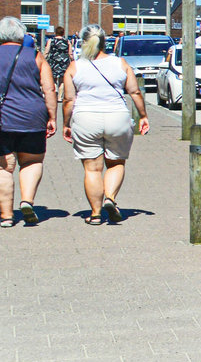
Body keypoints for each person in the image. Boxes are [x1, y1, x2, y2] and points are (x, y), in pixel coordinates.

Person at [62, 24, 149, 225]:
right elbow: (134, 92)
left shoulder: (75, 66)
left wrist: (66, 123)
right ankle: (110, 198)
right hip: (117, 117)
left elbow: (68, 100)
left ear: (83, 42)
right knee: (116, 162)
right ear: (104, 42)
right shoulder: (120, 63)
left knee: (92, 169)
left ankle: (95, 214)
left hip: (86, 119)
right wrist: (143, 115)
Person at [0, 17, 57, 228]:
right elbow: (49, 88)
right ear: (22, 35)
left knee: (3, 168)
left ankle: (6, 216)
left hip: (2, 119)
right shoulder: (35, 56)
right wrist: (52, 117)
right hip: (32, 117)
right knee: (31, 162)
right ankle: (27, 201)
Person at [44, 26, 73, 102]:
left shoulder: (51, 41)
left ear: (55, 33)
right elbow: (70, 54)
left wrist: (44, 58)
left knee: (53, 79)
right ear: (63, 33)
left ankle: (54, 94)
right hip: (63, 62)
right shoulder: (67, 42)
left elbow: (47, 51)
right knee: (61, 80)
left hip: (53, 62)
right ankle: (59, 97)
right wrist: (73, 61)